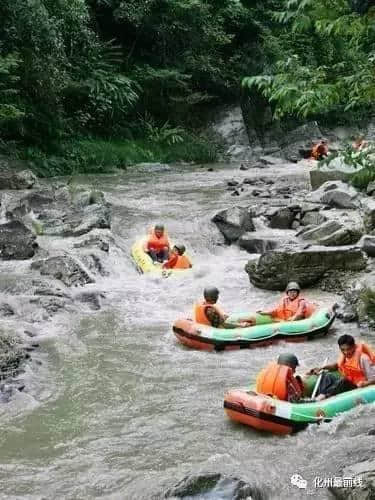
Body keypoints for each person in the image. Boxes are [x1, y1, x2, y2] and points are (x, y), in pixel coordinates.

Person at [309, 334, 375, 400]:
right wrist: (322, 367)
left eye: (348, 349)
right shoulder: (344, 356)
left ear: (354, 347)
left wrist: (365, 384)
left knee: (344, 381)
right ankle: (320, 396)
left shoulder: (363, 358)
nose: (346, 352)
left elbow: (373, 379)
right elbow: (337, 365)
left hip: (357, 386)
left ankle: (324, 396)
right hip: (347, 382)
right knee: (326, 375)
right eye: (343, 350)